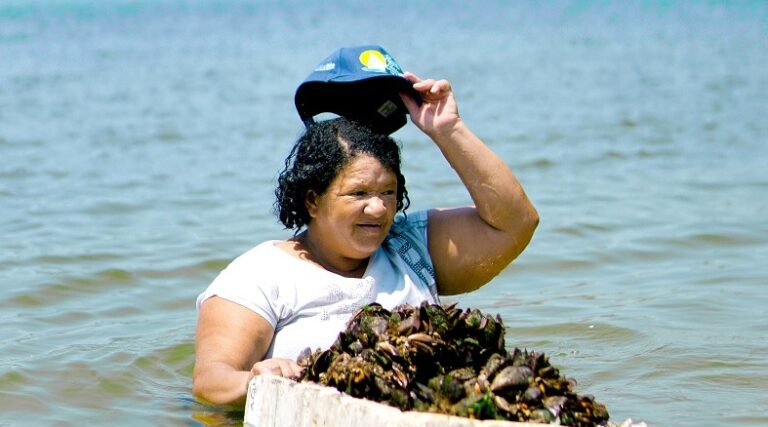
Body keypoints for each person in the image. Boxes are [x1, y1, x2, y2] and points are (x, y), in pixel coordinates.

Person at [193, 72, 539, 406]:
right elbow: (211, 381)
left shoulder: (412, 248)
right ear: (313, 200)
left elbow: (516, 223)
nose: (377, 208)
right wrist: (256, 379)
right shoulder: (261, 274)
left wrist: (449, 130)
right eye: (358, 193)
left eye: (388, 192)